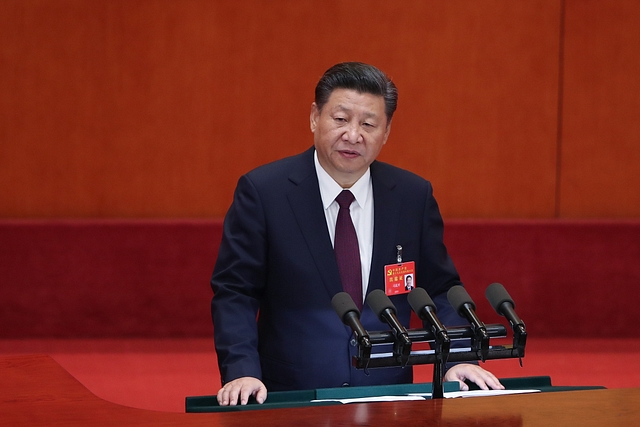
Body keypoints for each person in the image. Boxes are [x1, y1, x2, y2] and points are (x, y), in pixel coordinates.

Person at [211, 62, 503, 406]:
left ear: (387, 131)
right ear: (314, 117)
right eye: (340, 119)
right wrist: (242, 369)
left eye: (368, 124)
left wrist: (459, 358)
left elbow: (441, 289)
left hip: (388, 396)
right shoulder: (264, 192)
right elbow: (236, 292)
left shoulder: (411, 196)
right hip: (291, 395)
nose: (353, 135)